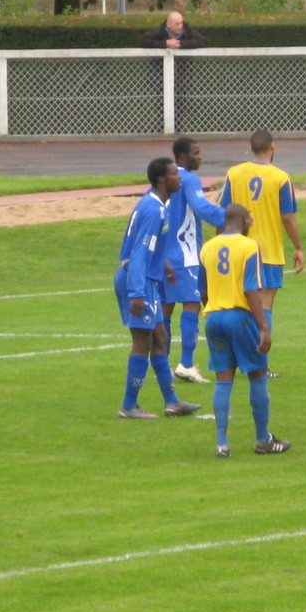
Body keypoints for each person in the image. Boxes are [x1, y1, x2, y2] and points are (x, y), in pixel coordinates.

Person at [200, 203, 291, 458]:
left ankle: (222, 444)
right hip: (240, 317)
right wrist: (263, 326)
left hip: (213, 317)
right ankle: (263, 440)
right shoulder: (250, 247)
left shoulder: (207, 248)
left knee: (223, 380)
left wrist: (214, 309)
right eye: (249, 218)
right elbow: (252, 290)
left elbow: (203, 291)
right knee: (258, 375)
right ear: (242, 220)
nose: (252, 221)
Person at [114, 157, 201, 419]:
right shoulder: (153, 210)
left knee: (160, 336)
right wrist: (137, 293)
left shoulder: (157, 205)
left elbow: (146, 248)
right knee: (143, 342)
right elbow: (139, 253)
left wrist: (163, 264)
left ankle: (172, 401)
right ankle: (129, 406)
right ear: (163, 179)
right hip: (137, 279)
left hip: (147, 277)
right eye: (175, 174)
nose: (180, 178)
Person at [220, 129, 305, 375]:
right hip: (267, 252)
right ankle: (259, 365)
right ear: (272, 147)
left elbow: (222, 211)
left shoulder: (234, 174)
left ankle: (235, 360)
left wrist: (219, 242)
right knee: (264, 305)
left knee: (239, 305)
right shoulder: (280, 177)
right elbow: (287, 217)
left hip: (236, 250)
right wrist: (298, 247)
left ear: (251, 148)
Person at [163, 137, 226, 385]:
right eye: (196, 153)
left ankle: (162, 363)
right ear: (182, 156)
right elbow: (201, 207)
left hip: (163, 256)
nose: (201, 157)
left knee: (165, 309)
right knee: (192, 304)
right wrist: (230, 217)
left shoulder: (162, 178)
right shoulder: (187, 179)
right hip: (185, 254)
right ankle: (186, 364)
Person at [138, 11, 208, 49]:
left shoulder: (188, 31)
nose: (180, 26)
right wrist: (165, 44)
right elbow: (144, 41)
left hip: (184, 71)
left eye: (181, 23)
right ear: (168, 24)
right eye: (176, 24)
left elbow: (203, 41)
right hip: (160, 71)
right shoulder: (159, 31)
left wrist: (181, 44)